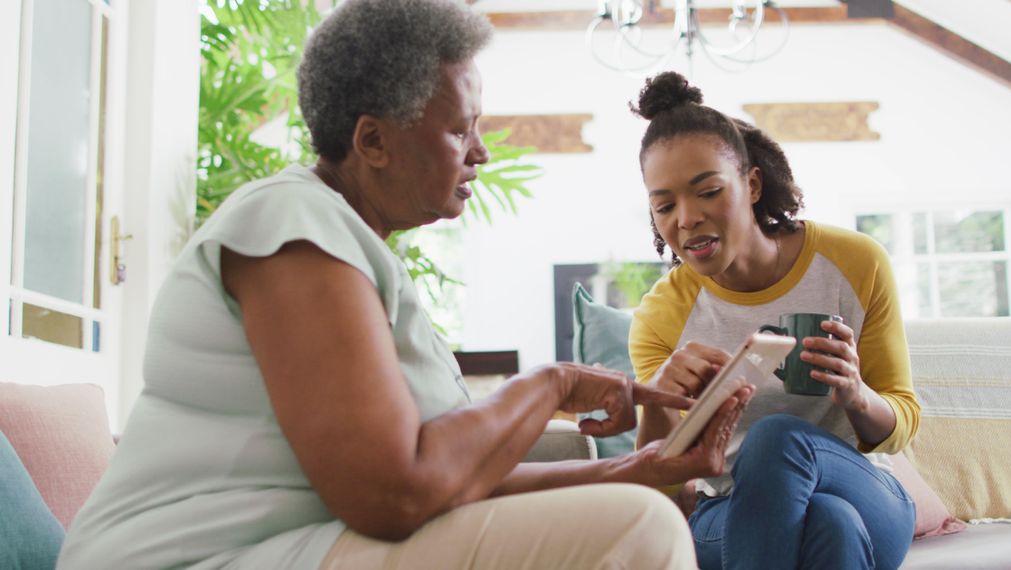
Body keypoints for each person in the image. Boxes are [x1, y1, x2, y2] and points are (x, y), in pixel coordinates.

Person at [57, 2, 755, 569]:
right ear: (373, 142)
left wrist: (633, 467)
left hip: (294, 548)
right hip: (198, 558)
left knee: (639, 505)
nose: (480, 150)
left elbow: (453, 483)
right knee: (636, 531)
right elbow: (394, 494)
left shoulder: (356, 253)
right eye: (461, 128)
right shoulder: (291, 223)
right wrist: (552, 385)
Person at [628, 71, 921, 570]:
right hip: (732, 509)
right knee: (830, 524)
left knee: (778, 439)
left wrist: (855, 393)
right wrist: (657, 398)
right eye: (664, 205)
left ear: (753, 183)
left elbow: (902, 422)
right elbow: (663, 486)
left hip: (865, 492)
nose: (686, 218)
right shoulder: (663, 314)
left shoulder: (855, 262)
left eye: (707, 191)